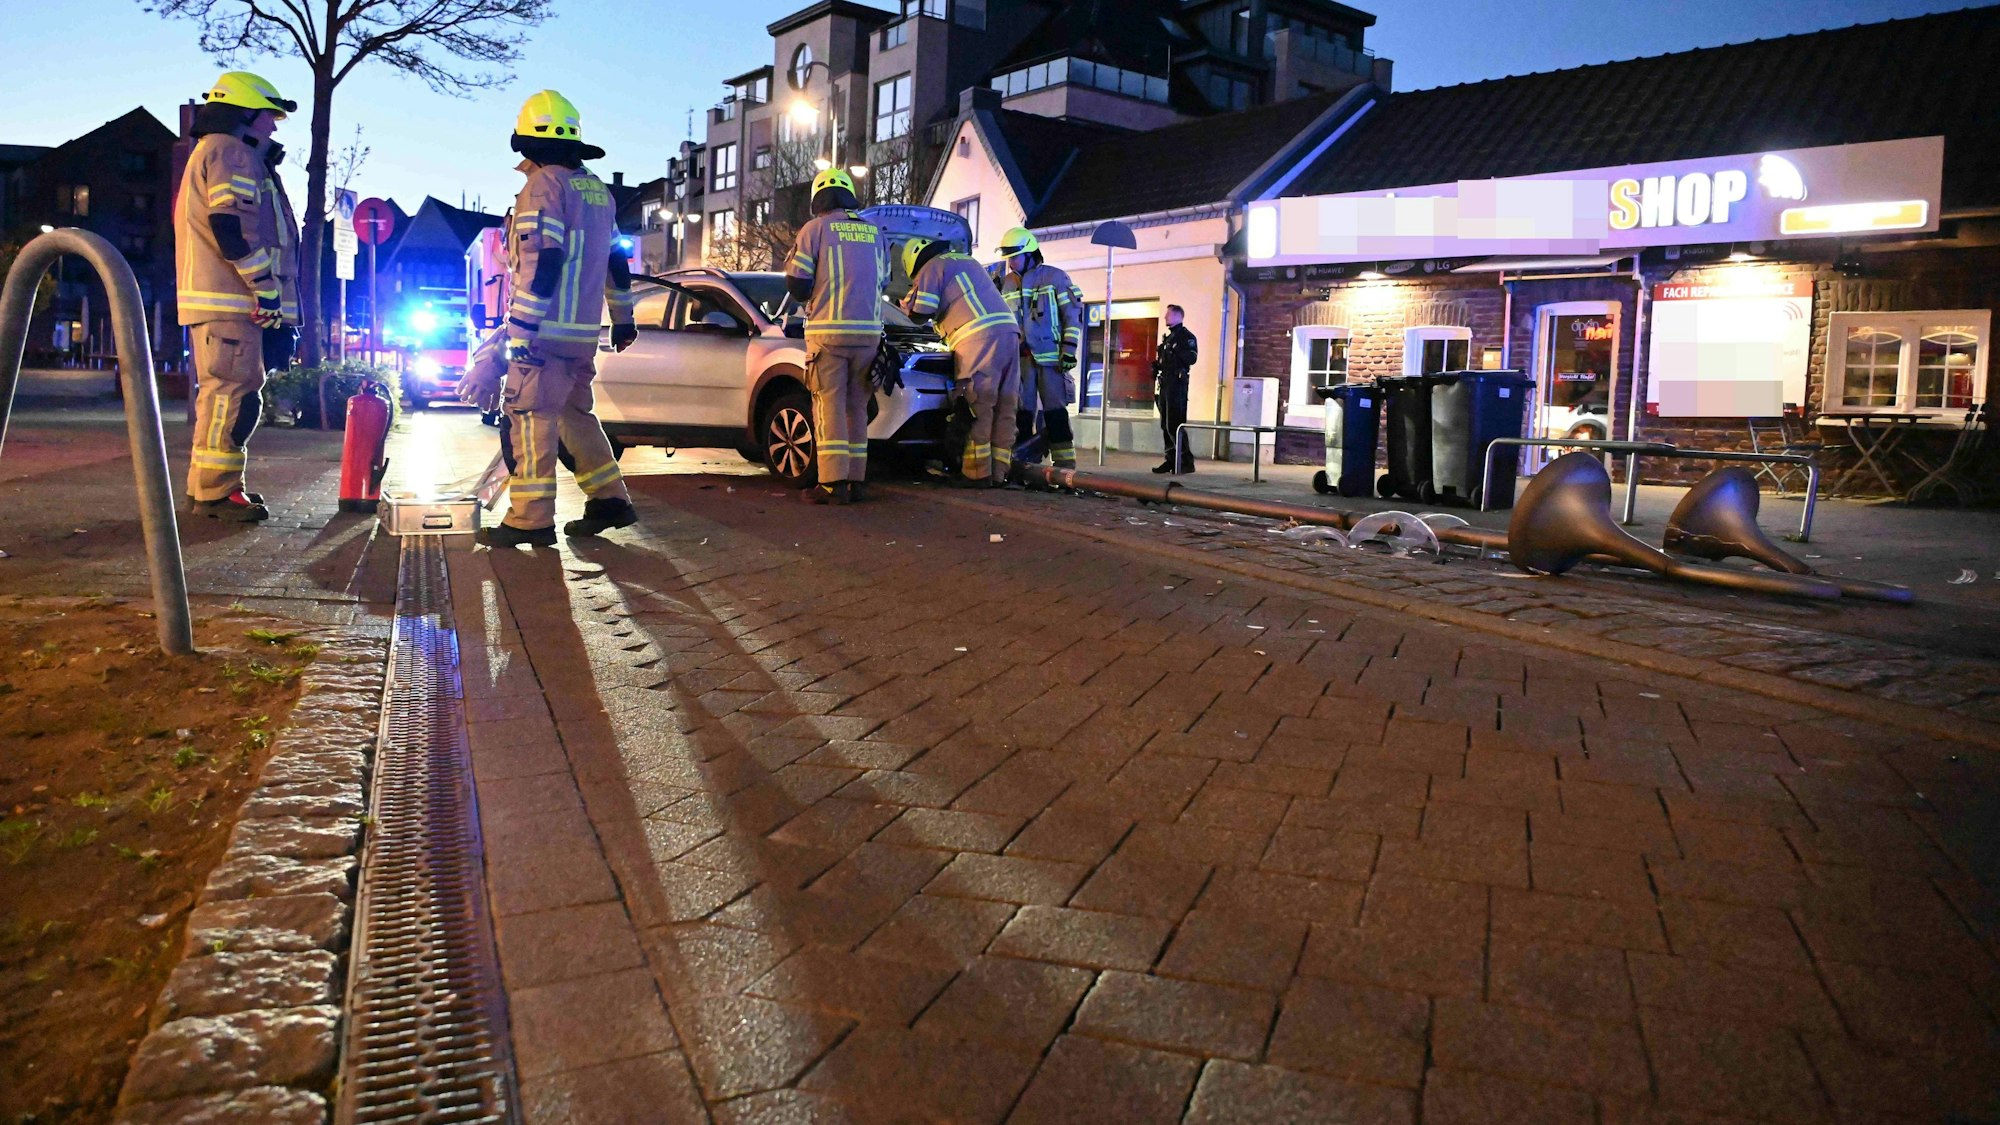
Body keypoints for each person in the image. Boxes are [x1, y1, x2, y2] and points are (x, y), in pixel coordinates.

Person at [463, 90, 639, 548]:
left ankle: (530, 519)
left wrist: (519, 333)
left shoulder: (543, 187)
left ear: (527, 141)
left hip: (542, 335)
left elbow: (545, 259)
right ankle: (609, 498)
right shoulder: (598, 191)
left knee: (529, 420)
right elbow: (617, 263)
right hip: (582, 334)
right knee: (574, 416)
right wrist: (623, 319)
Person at [174, 71, 301, 522]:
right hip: (235, 303)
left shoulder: (220, 152)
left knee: (223, 396)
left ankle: (209, 488)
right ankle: (216, 492)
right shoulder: (232, 153)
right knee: (233, 396)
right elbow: (232, 228)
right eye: (270, 116)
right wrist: (266, 291)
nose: (274, 126)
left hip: (224, 304)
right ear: (246, 113)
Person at [784, 168, 885, 505]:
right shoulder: (875, 233)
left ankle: (831, 484)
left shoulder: (815, 229)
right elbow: (882, 282)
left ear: (818, 198)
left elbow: (797, 284)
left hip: (828, 334)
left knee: (828, 407)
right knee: (857, 407)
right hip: (868, 336)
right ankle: (857, 481)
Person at [899, 236, 1021, 487]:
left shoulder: (932, 267)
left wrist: (905, 303)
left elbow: (920, 310)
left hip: (978, 337)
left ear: (913, 262)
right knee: (1005, 405)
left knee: (976, 403)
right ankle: (999, 473)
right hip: (1009, 332)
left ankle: (977, 474)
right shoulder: (967, 261)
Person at [995, 227, 1084, 470]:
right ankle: (1023, 463)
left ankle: (1065, 466)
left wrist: (1069, 349)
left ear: (1030, 254)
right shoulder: (1007, 283)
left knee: (1055, 412)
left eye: (1015, 256)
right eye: (1009, 257)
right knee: (1022, 413)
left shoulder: (1055, 278)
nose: (1011, 262)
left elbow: (1073, 316)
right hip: (1021, 359)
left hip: (1052, 359)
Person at [1153, 304, 1198, 474]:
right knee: (1165, 425)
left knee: (1175, 424)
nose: (1165, 317)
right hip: (1165, 384)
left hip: (1177, 384)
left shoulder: (1186, 337)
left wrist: (1175, 350)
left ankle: (1185, 461)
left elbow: (1191, 358)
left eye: (1168, 315)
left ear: (1178, 316)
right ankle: (1171, 459)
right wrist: (1156, 366)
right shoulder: (1169, 338)